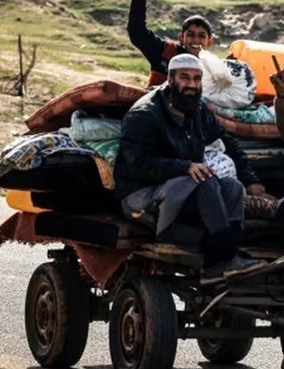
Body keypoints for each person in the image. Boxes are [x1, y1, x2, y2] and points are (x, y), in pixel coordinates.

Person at [114, 53, 273, 278]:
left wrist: (251, 180)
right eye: (185, 78)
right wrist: (184, 167)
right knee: (204, 181)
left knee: (232, 188)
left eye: (196, 79)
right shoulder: (144, 115)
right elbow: (137, 164)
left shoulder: (197, 110)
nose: (191, 85)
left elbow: (227, 142)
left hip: (180, 190)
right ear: (170, 79)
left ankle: (219, 261)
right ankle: (227, 257)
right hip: (140, 195)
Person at [126, 0, 217, 88]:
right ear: (181, 38)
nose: (196, 39)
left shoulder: (214, 67)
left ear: (209, 42)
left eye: (202, 36)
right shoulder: (165, 53)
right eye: (190, 34)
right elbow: (137, 32)